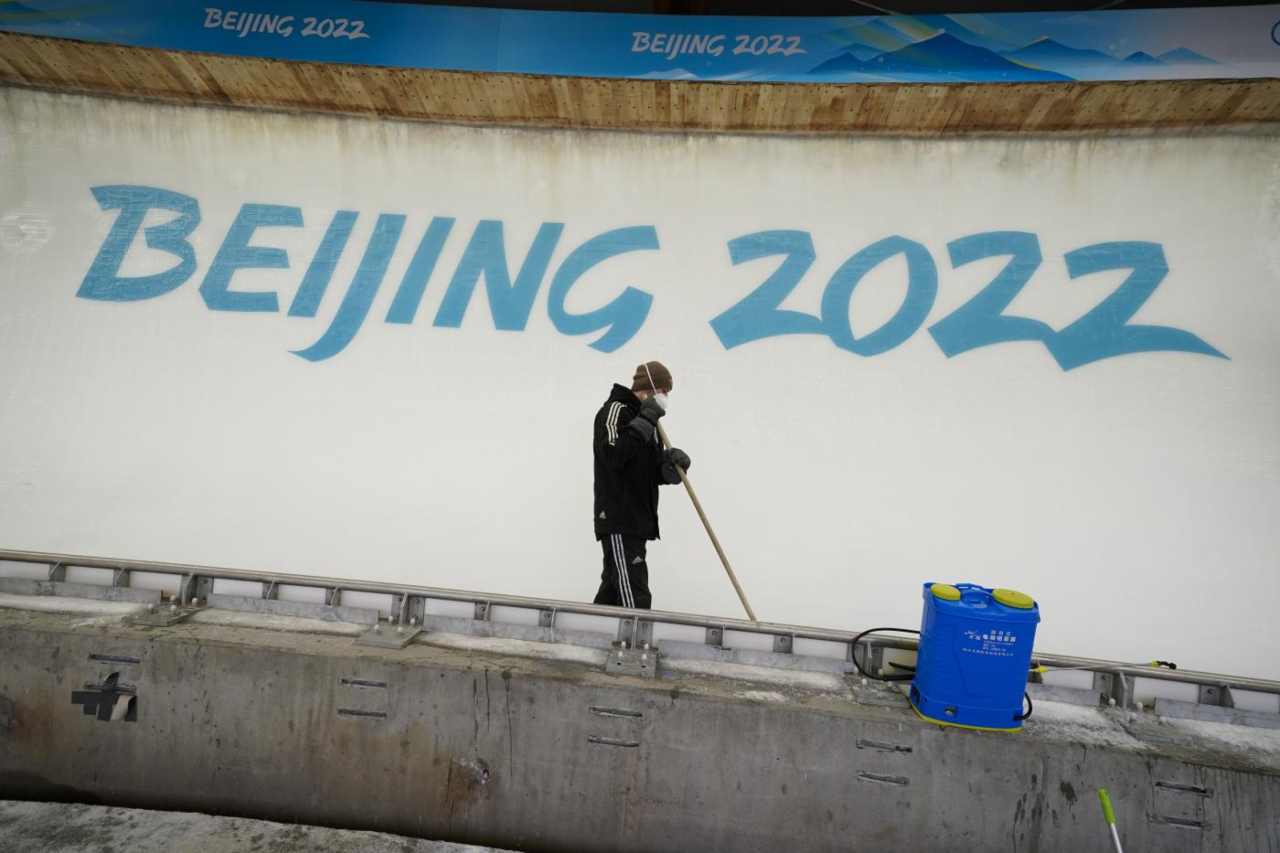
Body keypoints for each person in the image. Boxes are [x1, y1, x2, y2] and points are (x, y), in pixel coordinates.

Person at [592, 361, 692, 610]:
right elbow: (613, 455)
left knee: (614, 589)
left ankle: (588, 628)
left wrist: (668, 468)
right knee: (635, 595)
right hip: (619, 516)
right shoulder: (615, 411)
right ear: (649, 388)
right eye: (663, 391)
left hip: (637, 519)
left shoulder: (649, 421)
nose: (665, 397)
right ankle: (635, 632)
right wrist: (646, 419)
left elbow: (643, 469)